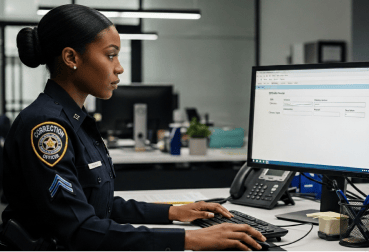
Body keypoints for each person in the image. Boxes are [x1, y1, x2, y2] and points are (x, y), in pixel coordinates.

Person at [1, 4, 266, 251]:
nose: (120, 68)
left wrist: (175, 211)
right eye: (110, 56)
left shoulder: (75, 119)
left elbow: (94, 207)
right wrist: (191, 238)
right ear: (71, 57)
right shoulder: (47, 128)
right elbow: (80, 229)